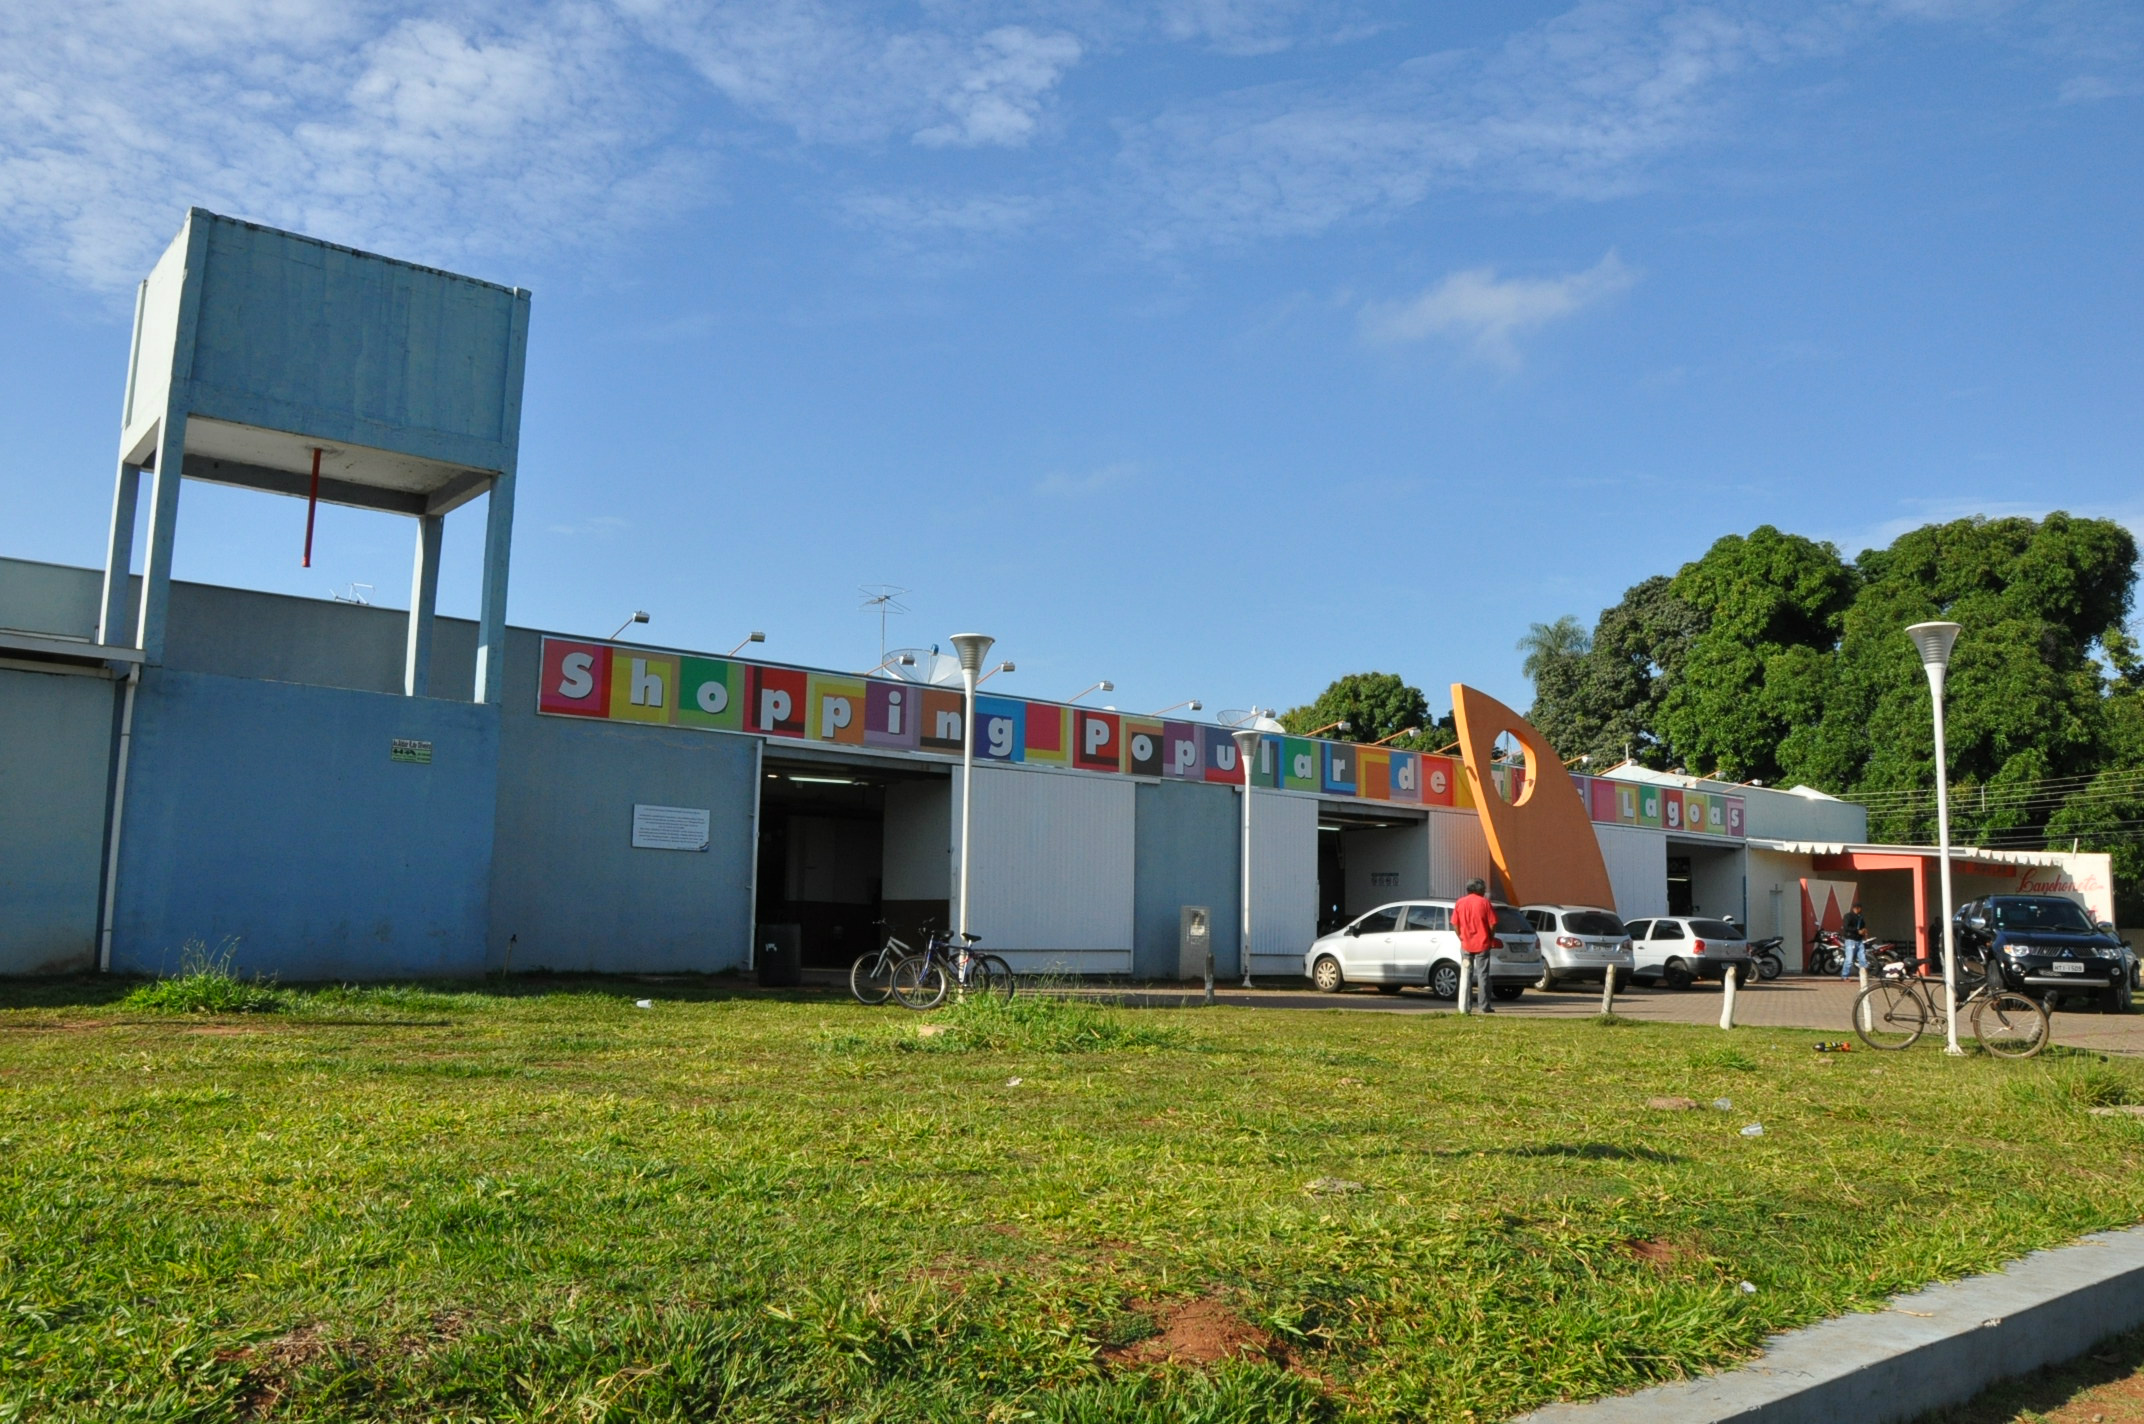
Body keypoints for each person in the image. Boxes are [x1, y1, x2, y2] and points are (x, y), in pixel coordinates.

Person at [1454, 877, 1499, 1014]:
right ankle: (1484, 1006)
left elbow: (1455, 924)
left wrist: (1461, 937)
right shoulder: (1485, 903)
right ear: (1478, 890)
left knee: (1466, 975)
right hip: (1483, 943)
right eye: (1484, 889)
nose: (1485, 891)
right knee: (1483, 975)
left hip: (1466, 944)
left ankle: (1466, 1005)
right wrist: (1490, 938)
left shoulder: (1460, 902)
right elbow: (1493, 923)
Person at [1839, 901, 1869, 980]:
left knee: (1863, 958)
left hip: (1859, 940)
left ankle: (1864, 975)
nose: (1856, 909)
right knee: (1849, 959)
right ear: (1853, 908)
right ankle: (1844, 976)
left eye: (1858, 908)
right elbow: (1846, 927)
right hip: (1850, 940)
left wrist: (1864, 932)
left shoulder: (1860, 917)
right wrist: (1857, 931)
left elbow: (1863, 926)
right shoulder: (1848, 916)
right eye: (1855, 908)